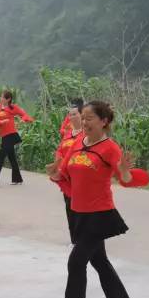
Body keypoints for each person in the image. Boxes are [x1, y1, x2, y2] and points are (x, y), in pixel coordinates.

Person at [49, 101, 141, 298]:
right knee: (99, 260)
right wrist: (54, 173)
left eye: (89, 117)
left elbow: (125, 179)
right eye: (83, 116)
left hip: (99, 214)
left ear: (104, 121)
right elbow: (63, 174)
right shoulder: (78, 142)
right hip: (78, 211)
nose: (84, 121)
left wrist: (126, 171)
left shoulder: (110, 148)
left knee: (76, 261)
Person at [47, 101, 84, 244]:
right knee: (69, 207)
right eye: (70, 114)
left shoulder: (86, 134)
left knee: (81, 208)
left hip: (80, 176)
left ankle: (85, 238)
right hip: (65, 177)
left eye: (75, 114)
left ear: (82, 115)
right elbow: (60, 150)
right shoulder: (68, 134)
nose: (72, 117)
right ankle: (74, 240)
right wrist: (56, 165)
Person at [0, 90, 34, 185]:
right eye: (0, 97)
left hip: (10, 134)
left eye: (2, 97)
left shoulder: (13, 107)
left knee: (1, 156)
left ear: (8, 99)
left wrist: (22, 120)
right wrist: (1, 122)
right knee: (12, 158)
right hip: (3, 135)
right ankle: (17, 179)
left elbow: (25, 115)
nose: (0, 99)